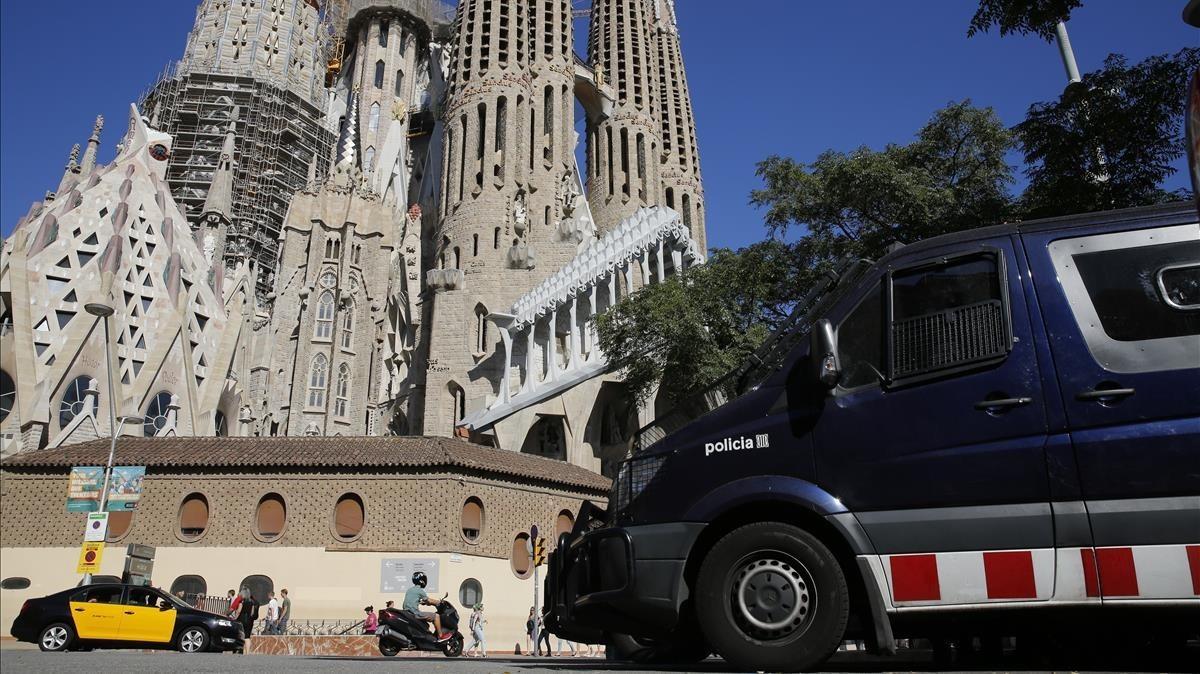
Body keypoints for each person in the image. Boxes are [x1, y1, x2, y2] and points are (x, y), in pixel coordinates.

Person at [402, 571, 450, 642]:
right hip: (415, 613)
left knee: (426, 622)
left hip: (407, 612)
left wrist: (423, 602)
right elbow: (429, 600)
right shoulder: (420, 590)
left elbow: (413, 600)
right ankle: (440, 636)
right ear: (422, 580)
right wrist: (438, 602)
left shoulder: (409, 590)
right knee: (436, 616)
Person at [234, 587, 258, 653]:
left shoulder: (242, 601)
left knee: (241, 635)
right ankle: (247, 652)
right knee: (247, 637)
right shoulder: (252, 602)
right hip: (249, 620)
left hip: (242, 619)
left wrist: (235, 618)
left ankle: (242, 651)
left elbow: (238, 611)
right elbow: (252, 613)